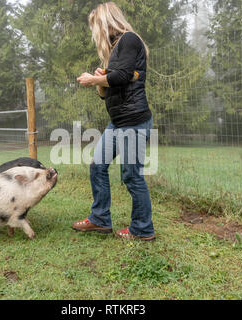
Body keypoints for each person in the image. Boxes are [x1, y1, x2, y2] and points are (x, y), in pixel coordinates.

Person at [73, 2, 155, 241]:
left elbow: (119, 78)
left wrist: (96, 78)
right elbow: (108, 91)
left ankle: (143, 229)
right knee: (97, 166)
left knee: (131, 175)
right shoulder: (115, 50)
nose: (94, 32)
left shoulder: (129, 40)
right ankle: (100, 219)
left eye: (95, 26)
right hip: (117, 122)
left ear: (106, 22)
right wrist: (100, 81)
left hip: (134, 122)